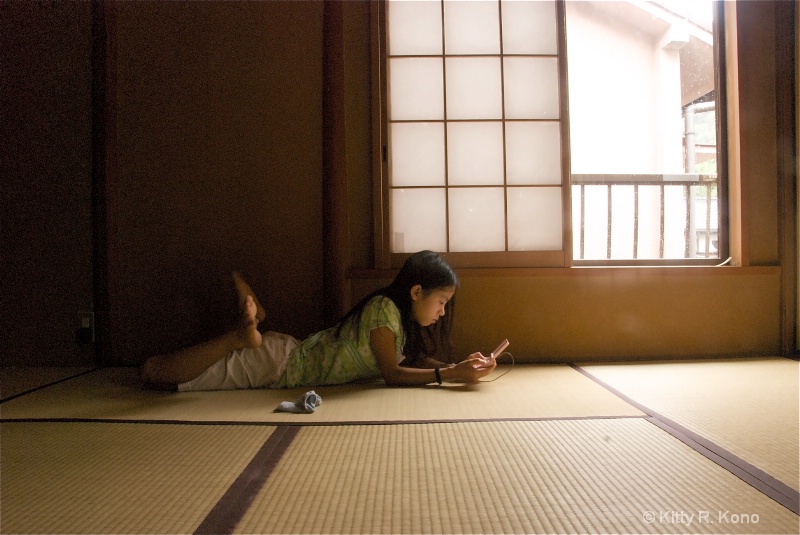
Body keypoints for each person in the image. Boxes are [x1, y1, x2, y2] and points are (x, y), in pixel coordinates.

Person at [140, 250, 497, 391]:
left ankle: (253, 320)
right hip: (280, 367)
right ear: (417, 292)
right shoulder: (384, 311)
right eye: (442, 301)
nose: (442, 312)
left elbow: (412, 364)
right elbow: (392, 375)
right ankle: (240, 334)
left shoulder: (399, 324)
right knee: (155, 373)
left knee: (179, 372)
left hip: (283, 357)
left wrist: (459, 366)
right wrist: (452, 374)